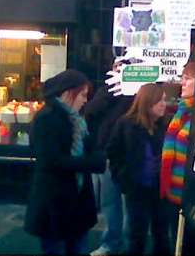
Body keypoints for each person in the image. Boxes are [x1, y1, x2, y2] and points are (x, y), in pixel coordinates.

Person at [24, 69, 106, 255]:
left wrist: (96, 157)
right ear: (69, 93)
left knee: (78, 247)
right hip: (54, 203)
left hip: (77, 205)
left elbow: (89, 147)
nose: (85, 100)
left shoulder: (78, 121)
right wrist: (91, 163)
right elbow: (51, 160)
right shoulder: (47, 118)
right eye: (83, 95)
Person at [160, 62, 195, 256]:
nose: (182, 83)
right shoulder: (181, 112)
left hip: (194, 200)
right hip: (173, 195)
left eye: (187, 79)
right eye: (182, 78)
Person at [107, 83, 170, 256]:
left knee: (162, 233)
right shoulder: (126, 124)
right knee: (137, 234)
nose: (164, 104)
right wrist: (122, 177)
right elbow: (113, 152)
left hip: (160, 189)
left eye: (164, 100)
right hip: (136, 187)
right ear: (148, 103)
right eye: (160, 101)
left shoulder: (164, 125)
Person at [85, 72, 133, 256]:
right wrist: (110, 90)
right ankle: (111, 242)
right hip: (108, 152)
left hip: (130, 152)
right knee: (110, 201)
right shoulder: (108, 90)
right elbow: (91, 111)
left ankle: (128, 244)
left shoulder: (140, 89)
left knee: (128, 203)